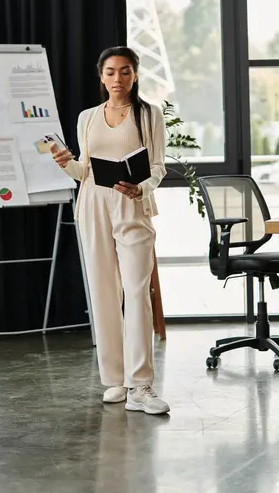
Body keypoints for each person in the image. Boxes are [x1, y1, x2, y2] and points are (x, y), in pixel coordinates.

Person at [51, 46, 169, 415]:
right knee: (103, 291)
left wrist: (142, 188)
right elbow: (84, 171)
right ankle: (115, 380)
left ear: (135, 75)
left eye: (125, 71)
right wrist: (65, 163)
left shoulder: (149, 114)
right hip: (93, 204)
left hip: (131, 204)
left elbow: (158, 167)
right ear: (101, 77)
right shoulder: (87, 118)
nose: (118, 79)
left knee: (136, 292)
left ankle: (142, 384)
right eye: (111, 72)